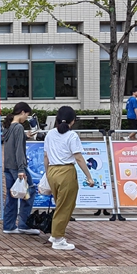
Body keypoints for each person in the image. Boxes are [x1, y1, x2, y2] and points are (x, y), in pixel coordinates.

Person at [44, 106, 95, 251]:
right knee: (65, 206)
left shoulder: (50, 134)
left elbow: (46, 156)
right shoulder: (72, 136)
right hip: (66, 171)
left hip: (52, 171)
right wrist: (89, 177)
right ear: (73, 121)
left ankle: (55, 233)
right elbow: (78, 158)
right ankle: (58, 238)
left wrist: (48, 174)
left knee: (60, 204)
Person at [1, 102, 40, 235]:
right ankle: (24, 224)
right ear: (22, 112)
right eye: (26, 115)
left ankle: (9, 225)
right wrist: (21, 169)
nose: (26, 118)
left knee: (12, 195)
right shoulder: (18, 127)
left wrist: (25, 136)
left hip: (8, 165)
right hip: (18, 166)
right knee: (29, 192)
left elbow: (11, 144)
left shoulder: (8, 126)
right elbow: (18, 149)